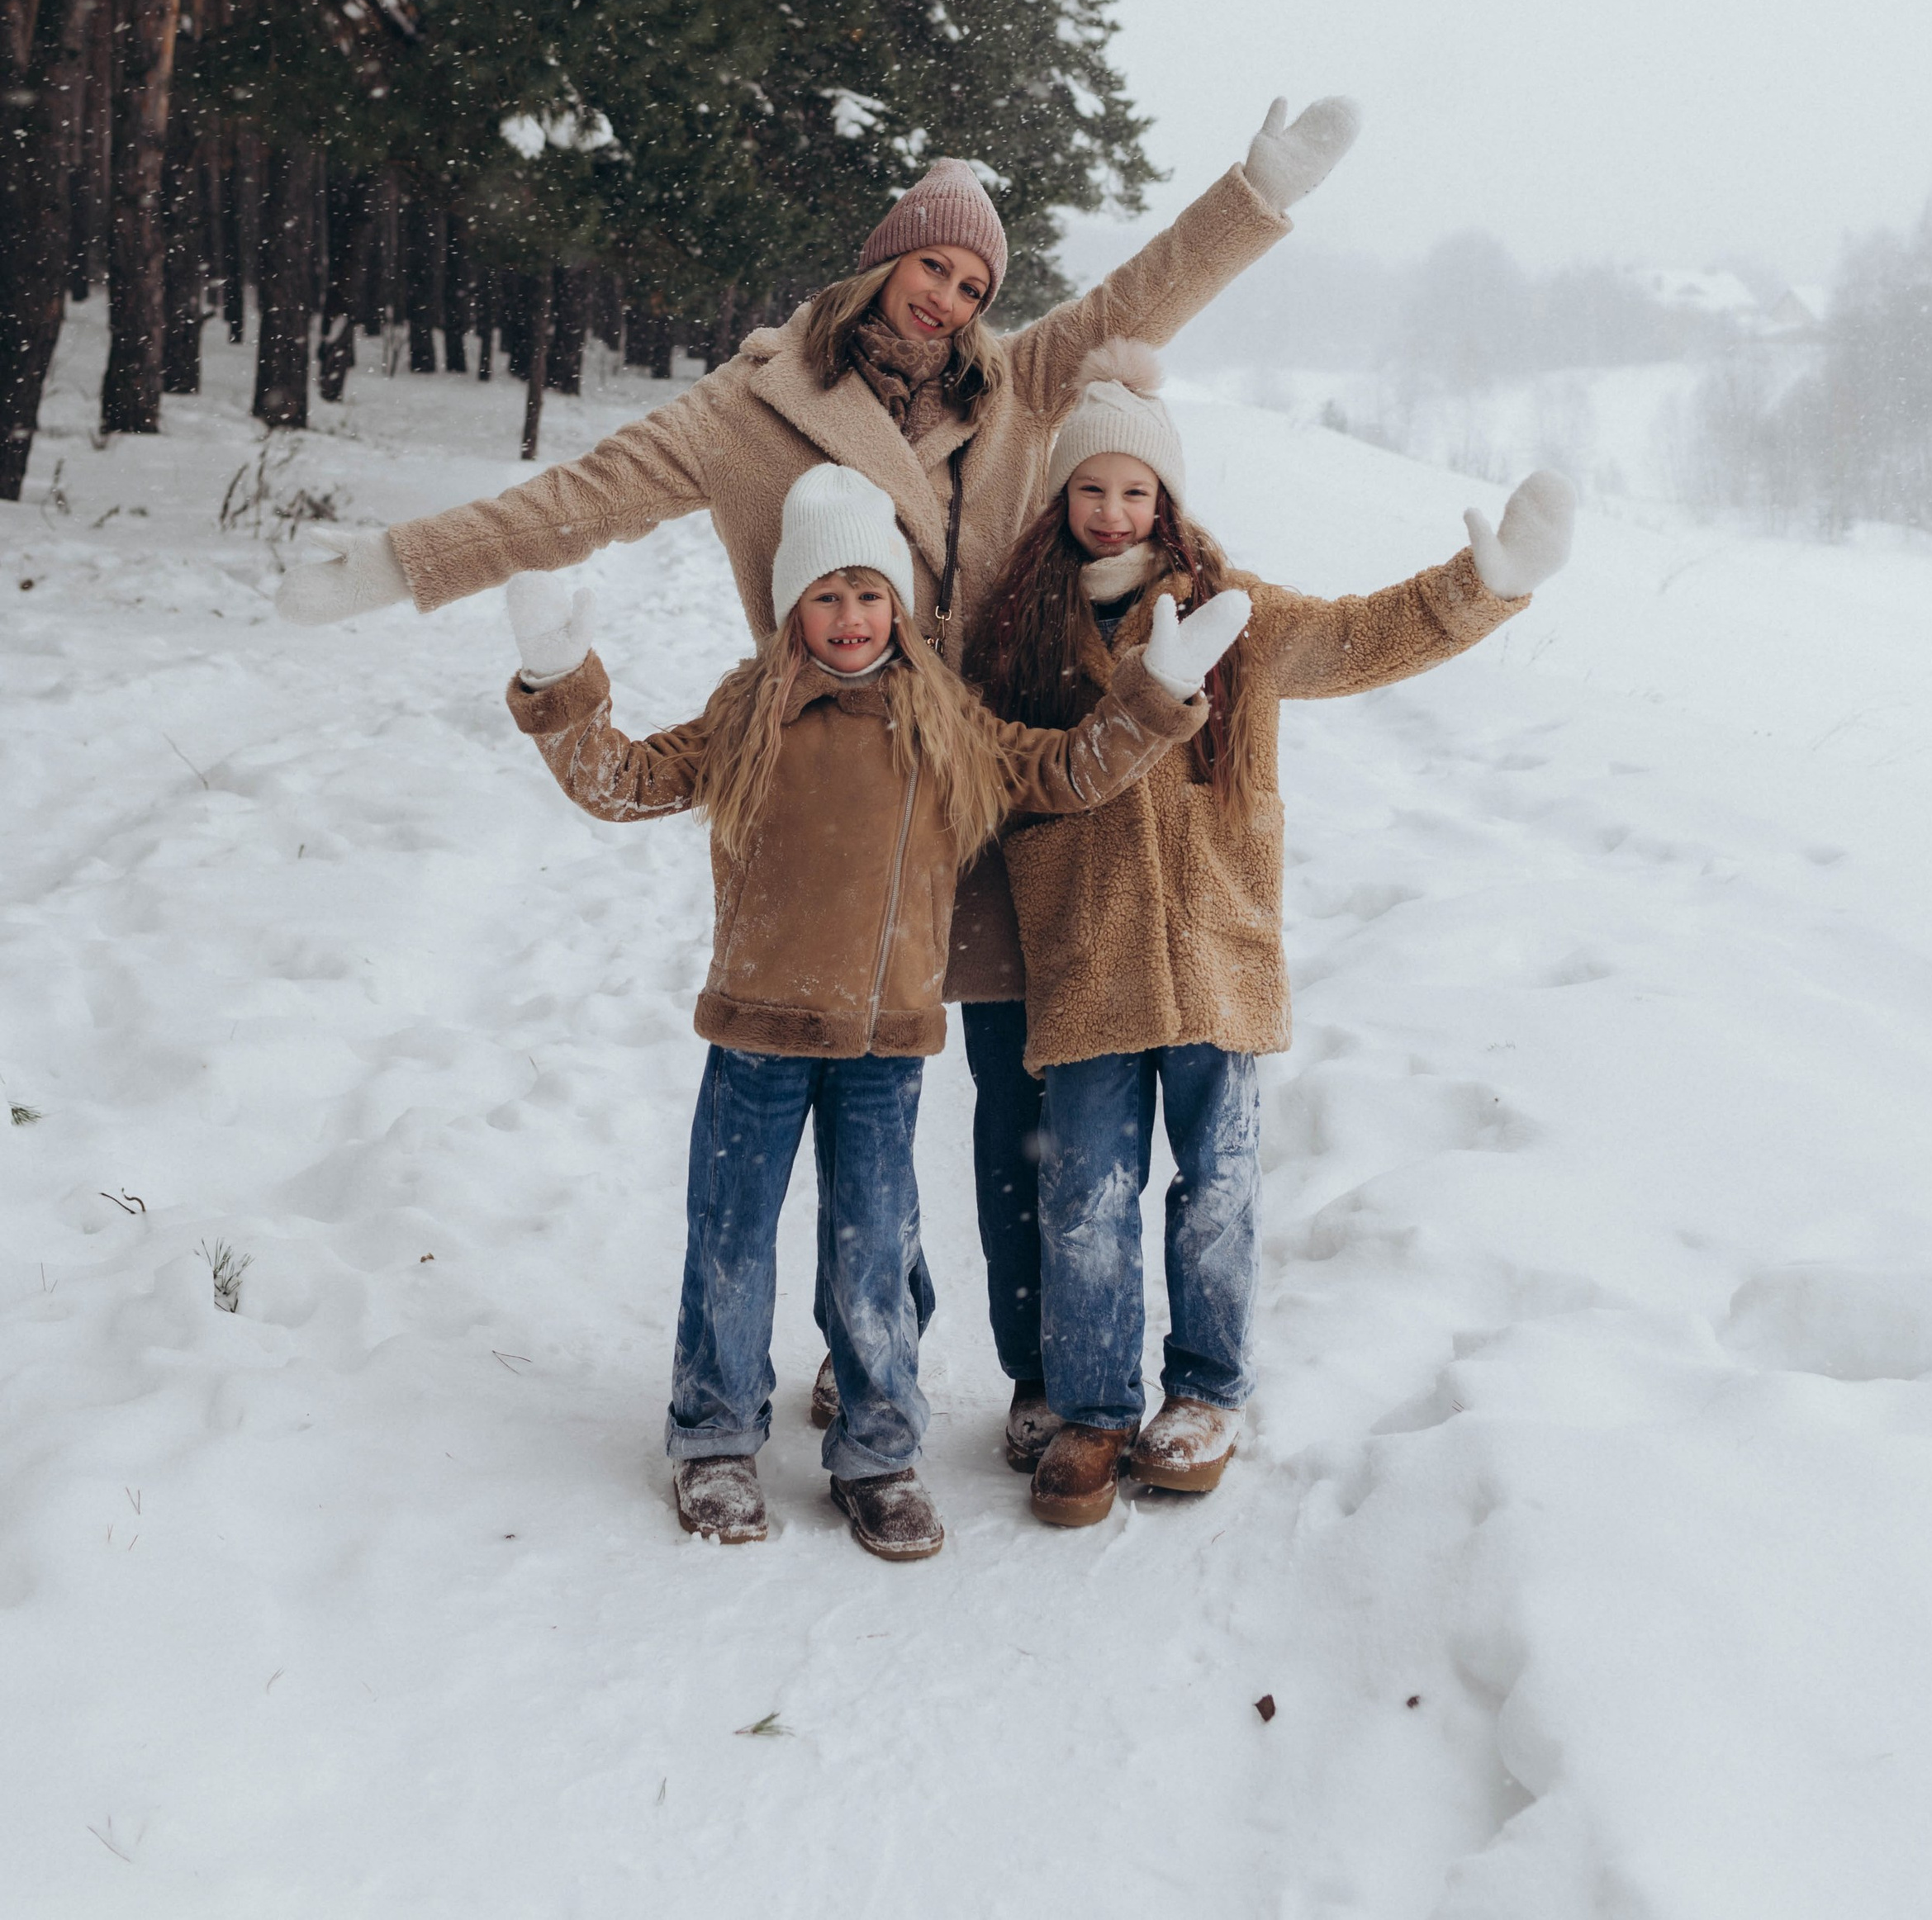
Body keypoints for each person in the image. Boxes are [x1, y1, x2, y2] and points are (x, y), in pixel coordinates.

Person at [278, 102, 1360, 1439]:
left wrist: (1255, 192)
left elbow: (1149, 291)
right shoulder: (752, 413)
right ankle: (873, 1336)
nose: (951, 301)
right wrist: (406, 566)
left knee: (1024, 1104)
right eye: (935, 270)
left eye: (974, 287)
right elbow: (580, 499)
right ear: (883, 260)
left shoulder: (1018, 384)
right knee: (873, 1083)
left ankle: (1041, 1379)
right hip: (854, 794)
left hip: (1016, 776)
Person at [501, 462, 1250, 1561]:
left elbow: (1070, 771)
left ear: (896, 604)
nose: (850, 620)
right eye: (826, 596)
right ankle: (713, 1438)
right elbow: (624, 780)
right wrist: (560, 683)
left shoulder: (945, 724)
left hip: (884, 1048)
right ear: (793, 607)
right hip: (757, 1034)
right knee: (732, 1242)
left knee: (872, 1251)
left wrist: (1147, 699)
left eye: (869, 595)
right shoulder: (749, 714)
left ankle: (879, 1451)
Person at [969, 357, 1576, 1526]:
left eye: (1134, 491)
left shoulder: (1231, 613)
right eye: (1089, 490)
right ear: (1059, 500)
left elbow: (1358, 639)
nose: (1111, 513)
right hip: (1087, 951)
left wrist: (1480, 587)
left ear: (1167, 500)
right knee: (1087, 1189)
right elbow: (993, 765)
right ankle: (1092, 1409)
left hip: (1213, 945)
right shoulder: (1022, 632)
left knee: (1219, 1187)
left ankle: (1203, 1393)